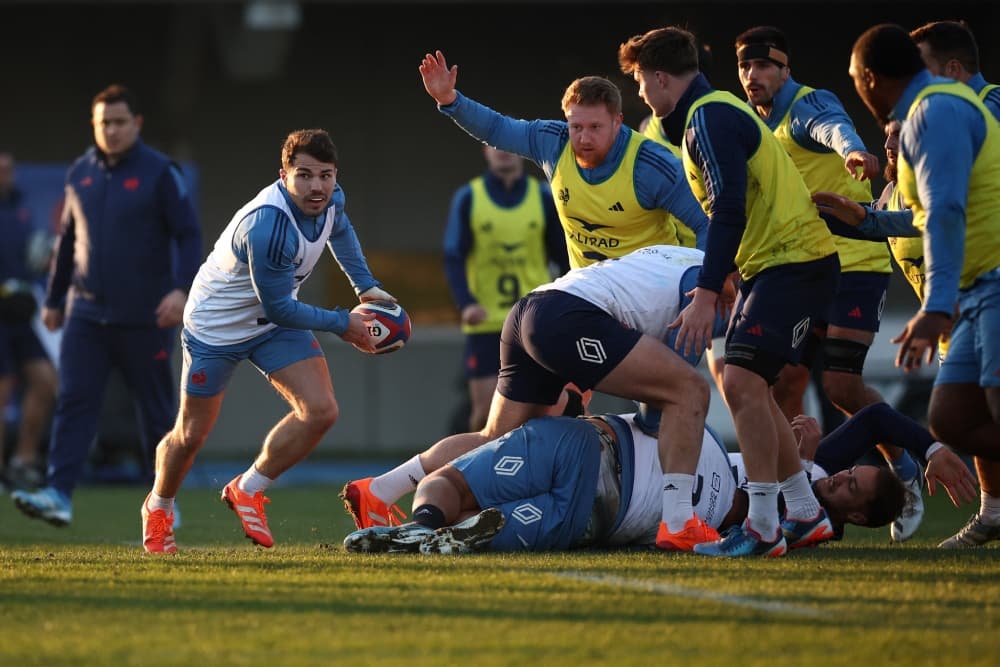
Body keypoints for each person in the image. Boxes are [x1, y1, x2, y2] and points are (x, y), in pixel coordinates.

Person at [344, 244, 728, 553]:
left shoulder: (679, 255)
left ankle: (381, 489)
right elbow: (657, 414)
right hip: (569, 319)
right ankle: (678, 523)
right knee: (686, 391)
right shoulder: (706, 288)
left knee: (492, 435)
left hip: (532, 308)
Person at [617, 26, 840, 557]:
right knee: (750, 387)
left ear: (661, 78)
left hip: (795, 262)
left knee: (739, 382)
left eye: (641, 82)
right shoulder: (712, 112)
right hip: (777, 265)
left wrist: (706, 291)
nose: (642, 95)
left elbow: (729, 209)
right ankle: (805, 515)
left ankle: (764, 526)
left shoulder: (707, 117)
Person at [139, 128, 394, 554]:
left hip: (272, 322)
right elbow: (279, 308)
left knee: (321, 411)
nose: (317, 187)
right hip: (216, 329)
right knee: (191, 434)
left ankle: (248, 488)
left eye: (326, 175)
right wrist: (343, 323)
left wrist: (365, 286)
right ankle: (159, 506)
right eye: (305, 175)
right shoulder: (269, 226)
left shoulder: (332, 198)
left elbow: (341, 231)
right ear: (283, 175)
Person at [730, 26, 927, 543]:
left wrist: (853, 153)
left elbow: (833, 129)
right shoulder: (754, 123)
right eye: (746, 68)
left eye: (764, 66)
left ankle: (904, 470)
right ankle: (798, 494)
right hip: (804, 264)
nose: (754, 76)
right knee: (783, 382)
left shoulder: (808, 104)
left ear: (785, 69)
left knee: (839, 385)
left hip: (856, 257)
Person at [343, 403, 976, 554]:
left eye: (851, 491)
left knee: (488, 459)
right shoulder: (804, 470)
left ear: (856, 519)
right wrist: (928, 447)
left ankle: (442, 526)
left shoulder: (803, 519)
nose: (837, 482)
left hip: (634, 503)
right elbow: (874, 416)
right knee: (458, 478)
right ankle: (421, 528)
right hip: (609, 440)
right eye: (846, 476)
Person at [12, 85, 202, 526]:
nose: (112, 130)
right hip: (86, 314)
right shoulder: (80, 173)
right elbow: (67, 241)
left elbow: (189, 235)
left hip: (145, 316)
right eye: (104, 123)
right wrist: (56, 299)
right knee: (74, 402)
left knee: (155, 411)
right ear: (94, 127)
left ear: (136, 124)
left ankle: (164, 504)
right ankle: (58, 494)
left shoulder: (160, 173)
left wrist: (180, 290)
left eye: (119, 122)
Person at [848, 24, 1000, 550]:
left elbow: (946, 210)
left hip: (991, 281)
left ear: (871, 78)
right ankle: (996, 511)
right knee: (952, 418)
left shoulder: (935, 112)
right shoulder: (924, 114)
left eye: (856, 81)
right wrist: (868, 220)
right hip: (976, 289)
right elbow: (922, 213)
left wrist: (935, 306)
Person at [444, 146, 568, 431]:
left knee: (543, 410)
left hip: (533, 321)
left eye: (508, 146)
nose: (503, 152)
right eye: (495, 146)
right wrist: (466, 303)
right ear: (485, 152)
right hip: (487, 323)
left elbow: (564, 256)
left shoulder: (542, 197)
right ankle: (471, 475)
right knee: (485, 416)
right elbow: (454, 257)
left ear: (521, 152)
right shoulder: (470, 197)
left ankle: (529, 474)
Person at [0, 151, 58, 493]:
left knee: (45, 381)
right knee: (3, 390)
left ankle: (23, 460)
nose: (4, 175)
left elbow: (33, 259)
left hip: (21, 315)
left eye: (8, 169)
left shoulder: (22, 210)